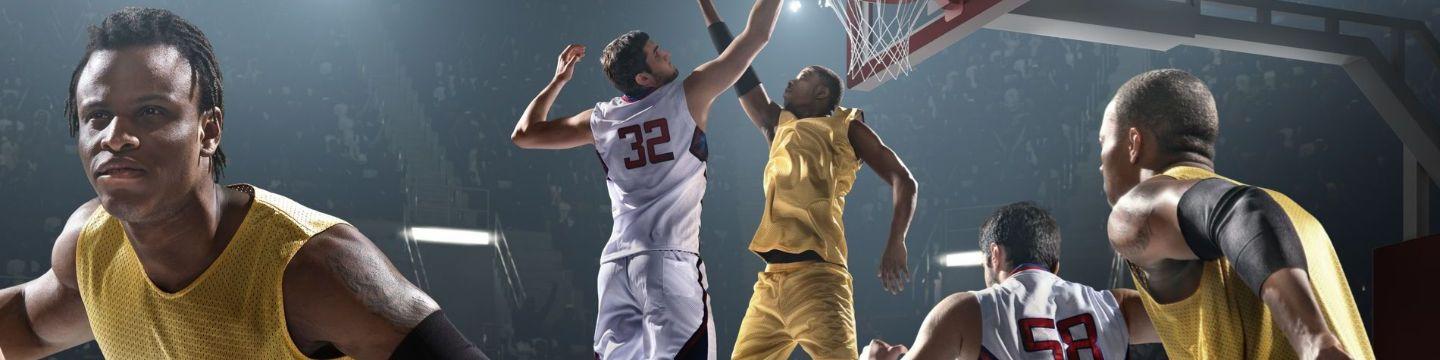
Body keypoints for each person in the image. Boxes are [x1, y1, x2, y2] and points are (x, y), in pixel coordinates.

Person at [0, 8, 487, 360]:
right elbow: (26, 325)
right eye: (97, 116)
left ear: (208, 130)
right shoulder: (90, 245)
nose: (116, 137)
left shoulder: (314, 268)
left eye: (151, 112)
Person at [508, 0, 783, 358]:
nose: (666, 52)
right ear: (643, 77)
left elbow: (524, 134)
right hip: (668, 261)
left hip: (615, 268)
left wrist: (558, 80)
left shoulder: (601, 118)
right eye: (657, 53)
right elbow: (756, 35)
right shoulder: (689, 93)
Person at [695, 1, 918, 358]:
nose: (790, 81)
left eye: (801, 78)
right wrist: (706, 7)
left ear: (821, 94)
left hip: (820, 278)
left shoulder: (846, 127)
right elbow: (737, 65)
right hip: (770, 283)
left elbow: (904, 180)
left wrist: (897, 241)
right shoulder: (776, 125)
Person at [1099, 69, 1373, 359]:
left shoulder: (1138, 206)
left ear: (1133, 143)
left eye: (1103, 143)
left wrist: (1314, 341)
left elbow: (1241, 210)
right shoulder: (1293, 212)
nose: (1101, 164)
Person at [859, 202, 1158, 359]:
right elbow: (1197, 317)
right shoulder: (1116, 304)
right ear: (1055, 265)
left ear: (994, 255)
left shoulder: (965, 310)